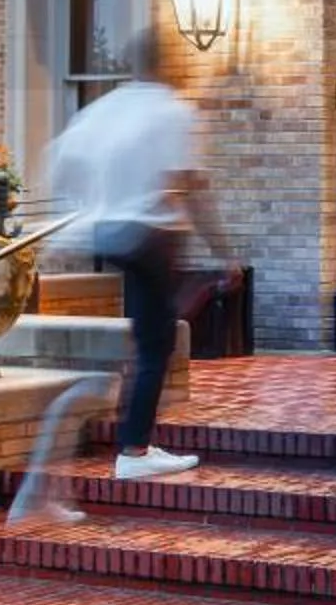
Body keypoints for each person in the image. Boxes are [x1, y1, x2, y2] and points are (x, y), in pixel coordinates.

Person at [43, 30, 223, 484]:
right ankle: (134, 450)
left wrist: (88, 206)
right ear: (168, 63)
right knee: (156, 343)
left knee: (148, 335)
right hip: (149, 233)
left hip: (107, 231)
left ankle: (133, 440)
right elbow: (192, 189)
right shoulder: (173, 111)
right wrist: (224, 252)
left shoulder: (104, 109)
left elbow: (60, 164)